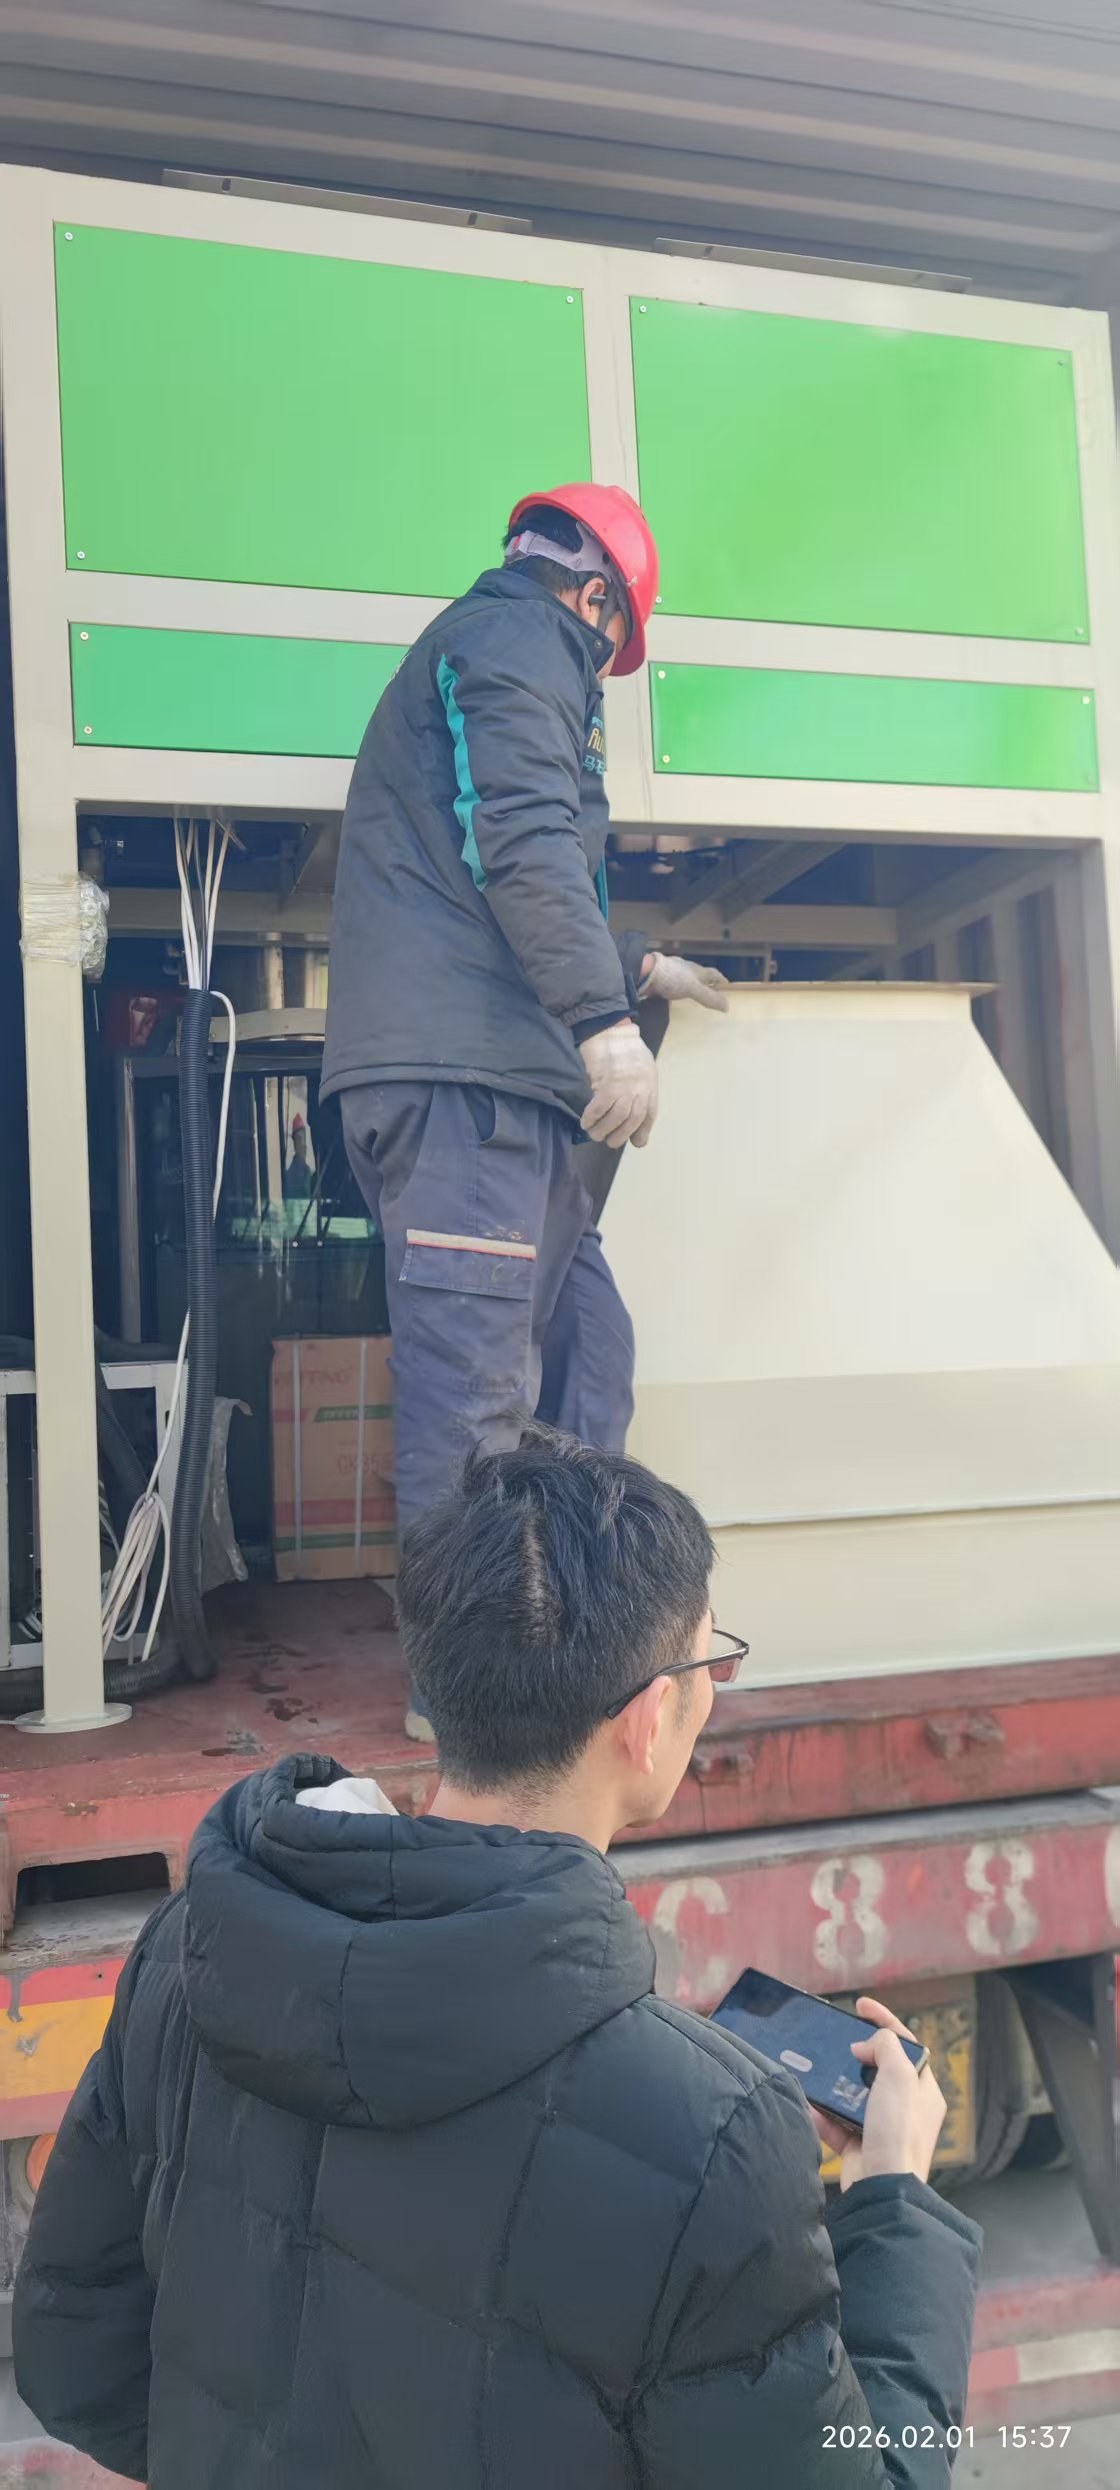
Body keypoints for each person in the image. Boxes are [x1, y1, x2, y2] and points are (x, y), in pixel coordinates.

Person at [14, 1430, 980, 2490]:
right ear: (650, 1717)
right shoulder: (712, 2136)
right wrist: (894, 2202)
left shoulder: (188, 1953)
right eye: (713, 1662)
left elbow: (76, 2362)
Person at [321, 485, 729, 1717]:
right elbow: (521, 838)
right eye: (614, 649)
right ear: (593, 595)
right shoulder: (514, 637)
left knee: (590, 1356)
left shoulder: (502, 647)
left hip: (503, 1092)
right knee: (475, 1408)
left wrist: (638, 966)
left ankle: (566, 1640)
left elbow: (489, 865)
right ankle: (466, 1702)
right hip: (465, 1097)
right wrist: (606, 1024)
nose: (604, 674)